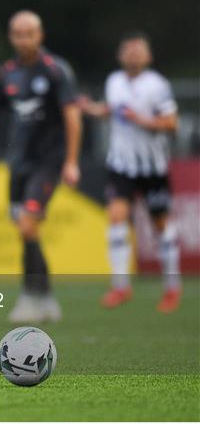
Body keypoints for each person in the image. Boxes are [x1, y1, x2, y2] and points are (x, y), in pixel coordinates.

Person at [0, 11, 81, 323]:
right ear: (11, 37)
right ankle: (44, 297)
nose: (24, 40)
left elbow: (73, 116)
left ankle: (32, 296)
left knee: (28, 225)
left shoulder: (55, 71)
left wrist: (71, 162)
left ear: (40, 35)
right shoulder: (6, 73)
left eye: (29, 33)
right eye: (18, 34)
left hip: (48, 162)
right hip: (19, 165)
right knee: (25, 230)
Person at [79, 32, 181, 313]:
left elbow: (172, 123)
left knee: (161, 226)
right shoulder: (114, 81)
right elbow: (111, 111)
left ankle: (172, 288)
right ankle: (121, 286)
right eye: (128, 51)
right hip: (121, 165)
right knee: (116, 217)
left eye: (139, 51)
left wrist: (143, 120)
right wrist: (90, 109)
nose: (133, 55)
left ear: (147, 56)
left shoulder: (157, 85)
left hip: (152, 167)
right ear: (121, 56)